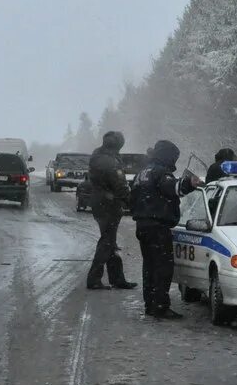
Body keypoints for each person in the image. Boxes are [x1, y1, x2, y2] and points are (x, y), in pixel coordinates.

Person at [129, 139, 202, 318]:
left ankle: (150, 304)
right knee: (163, 267)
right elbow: (174, 188)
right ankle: (160, 306)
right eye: (173, 158)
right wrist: (189, 183)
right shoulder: (161, 172)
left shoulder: (142, 172)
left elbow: (131, 197)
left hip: (143, 225)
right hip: (157, 226)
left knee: (149, 267)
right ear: (167, 156)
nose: (174, 162)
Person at [85, 130, 137, 290]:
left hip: (99, 202)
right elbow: (120, 186)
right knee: (107, 241)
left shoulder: (97, 155)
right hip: (109, 204)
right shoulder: (111, 161)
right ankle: (94, 278)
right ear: (119, 145)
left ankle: (117, 278)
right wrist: (133, 204)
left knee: (110, 240)